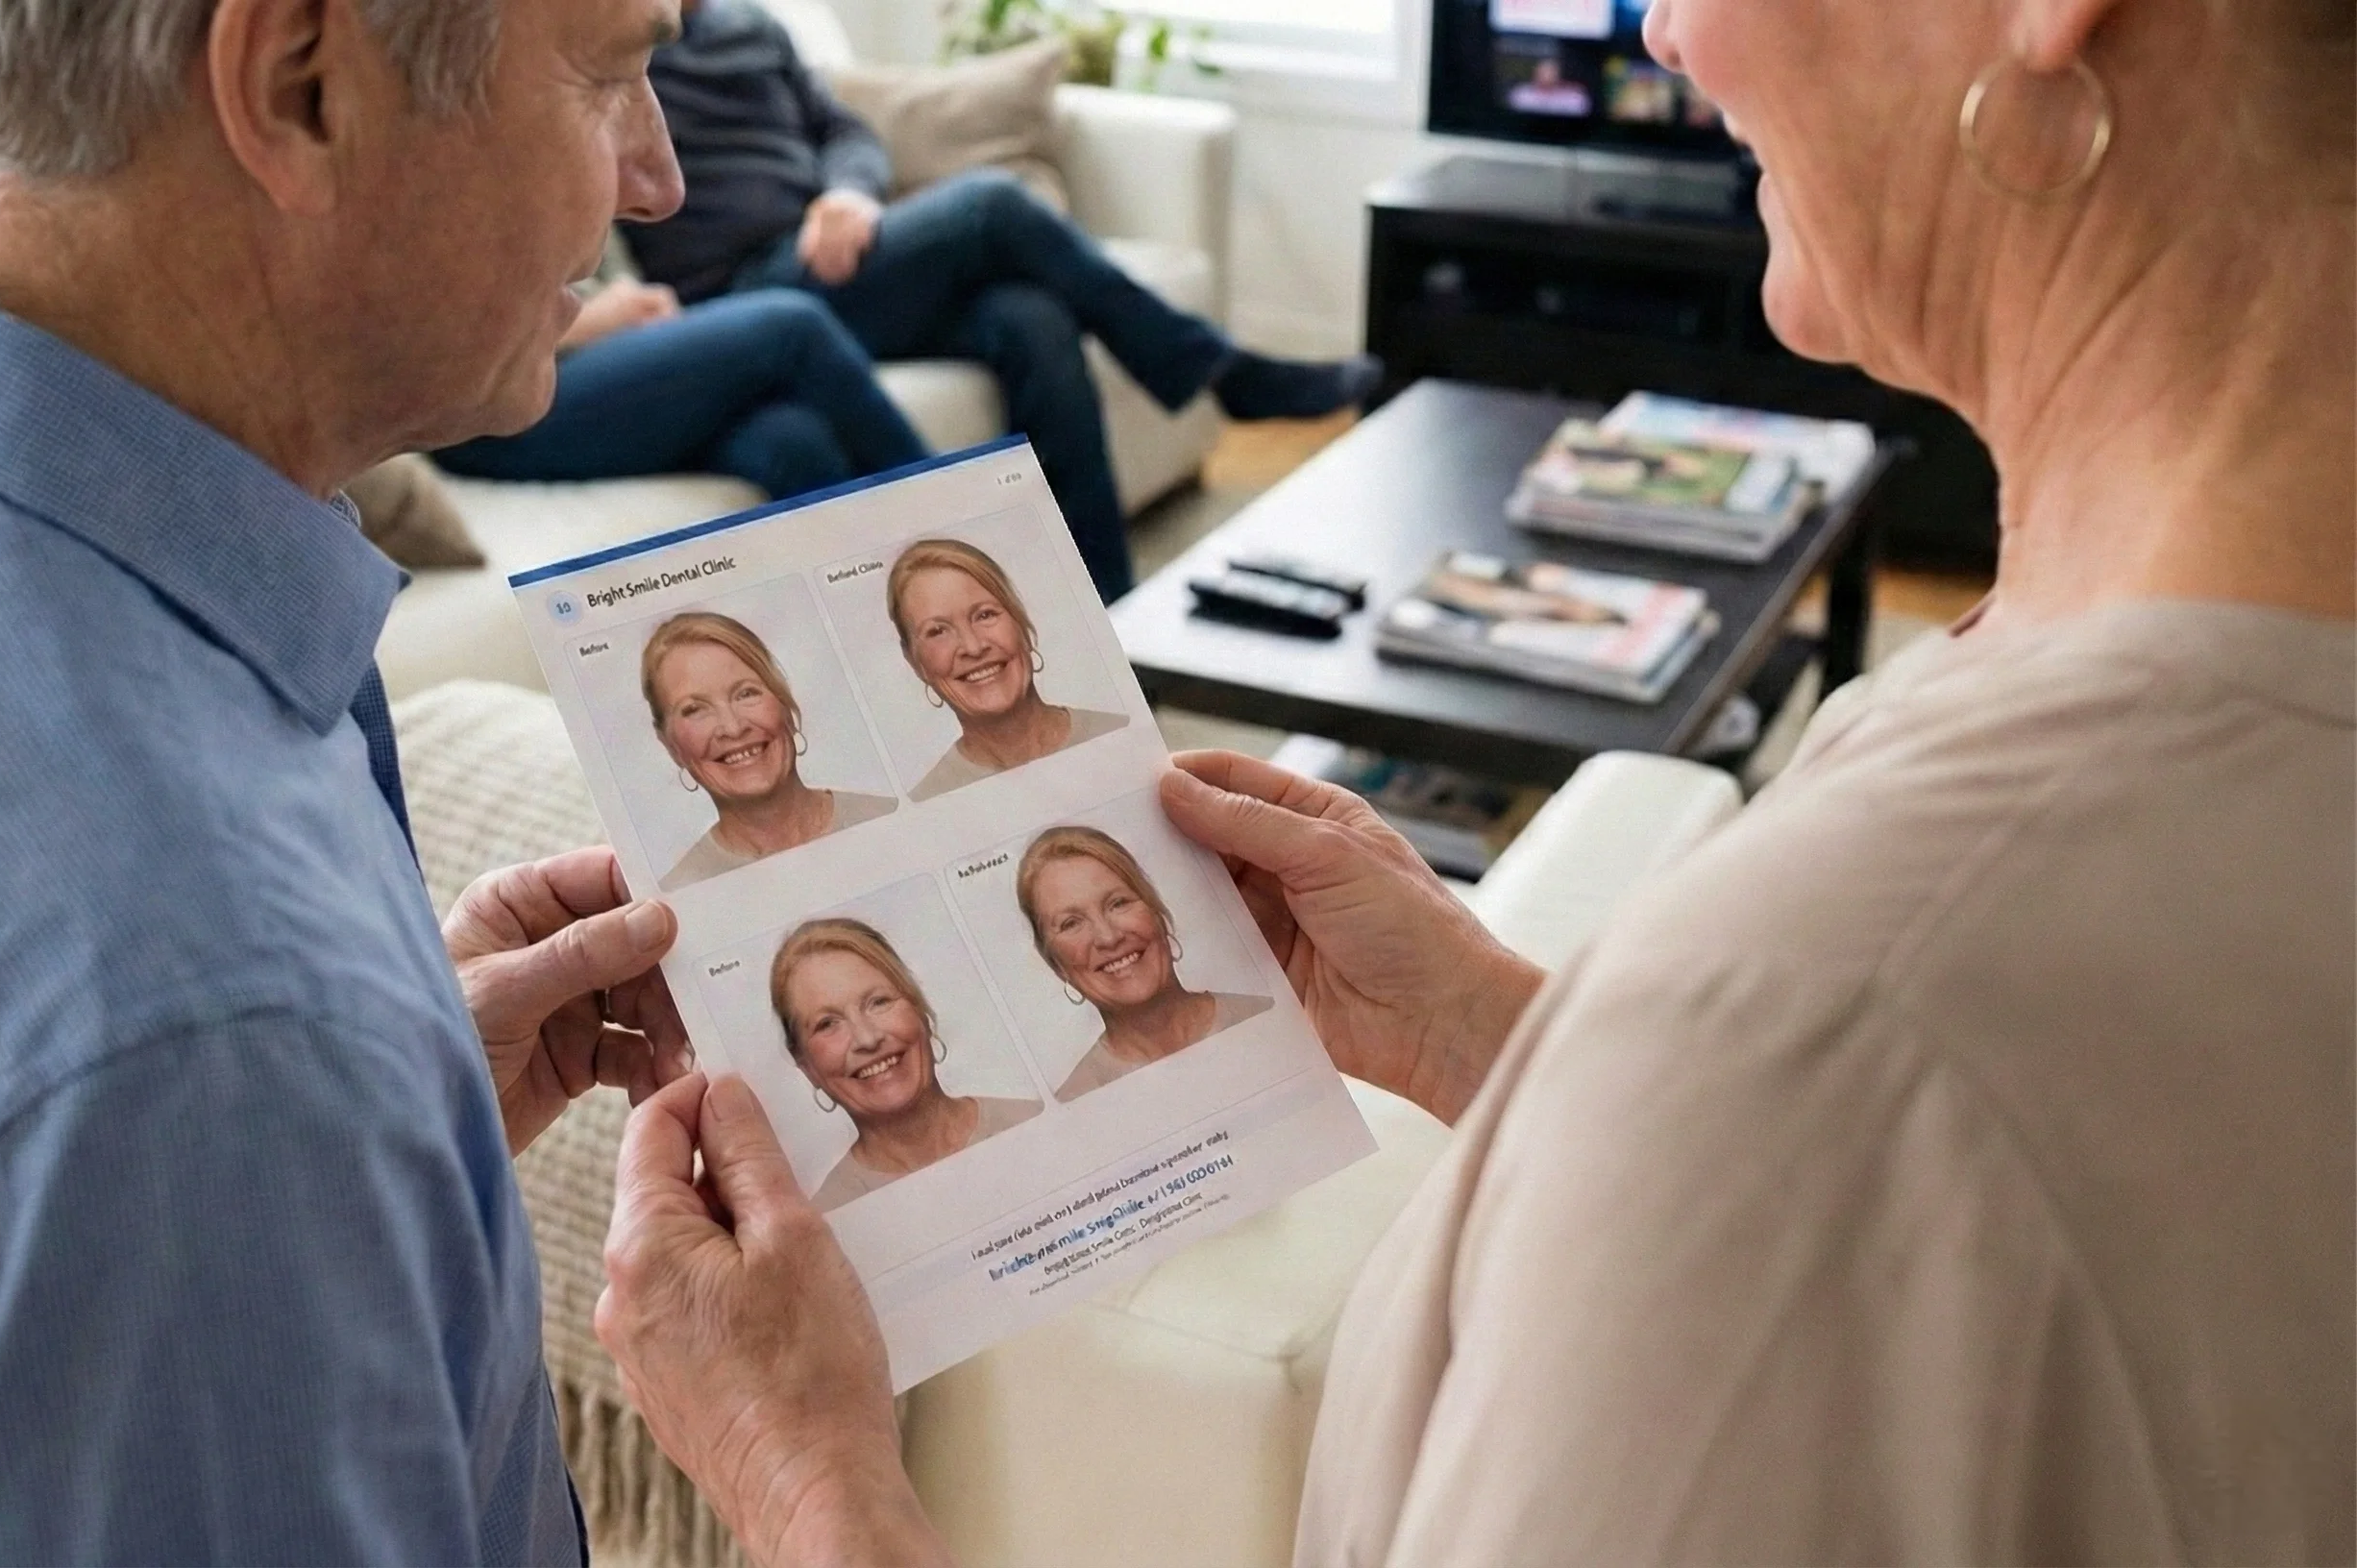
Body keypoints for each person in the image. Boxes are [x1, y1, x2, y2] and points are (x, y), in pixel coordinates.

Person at [588, 0, 2355, 1560]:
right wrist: (1498, 1038)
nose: (1667, 33)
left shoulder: (1821, 1018)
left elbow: (1854, 1128)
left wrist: (807, 1480)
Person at [0, 0, 701, 1558]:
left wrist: (375, 1169)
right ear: (300, 86)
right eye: (606, 73)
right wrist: (817, 1491)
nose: (656, 175)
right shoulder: (212, 1057)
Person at [620, 0, 1387, 601]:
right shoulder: (621, 49)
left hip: (832, 257)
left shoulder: (753, 25)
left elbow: (846, 131)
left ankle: (1103, 613)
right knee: (990, 205)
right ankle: (1221, 372)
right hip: (742, 299)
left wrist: (849, 193)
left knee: (1030, 318)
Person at [433, 277, 932, 501]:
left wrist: (633, 304)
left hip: (599, 355)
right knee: (794, 325)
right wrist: (592, 320)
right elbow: (433, 351)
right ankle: (956, 530)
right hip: (501, 400)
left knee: (792, 441)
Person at [770, 918, 1041, 1212]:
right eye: (827, 1024)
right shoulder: (828, 1218)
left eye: (878, 1002)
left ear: (919, 1009)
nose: (867, 1038)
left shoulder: (1034, 1124)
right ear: (805, 1065)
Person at [1015, 826, 1272, 1102]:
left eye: (1118, 903)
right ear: (1056, 964)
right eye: (1071, 923)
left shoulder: (1270, 1020)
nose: (1108, 937)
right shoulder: (1075, 1104)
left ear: (1156, 913)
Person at [643, 611, 896, 887]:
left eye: (746, 693)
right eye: (694, 710)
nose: (733, 728)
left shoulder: (890, 820)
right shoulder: (681, 892)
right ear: (670, 745)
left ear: (783, 703)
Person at [886, 537, 1125, 800]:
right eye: (937, 631)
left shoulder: (1122, 736)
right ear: (915, 662)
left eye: (984, 615)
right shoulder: (926, 805)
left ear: (1020, 622)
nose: (973, 647)